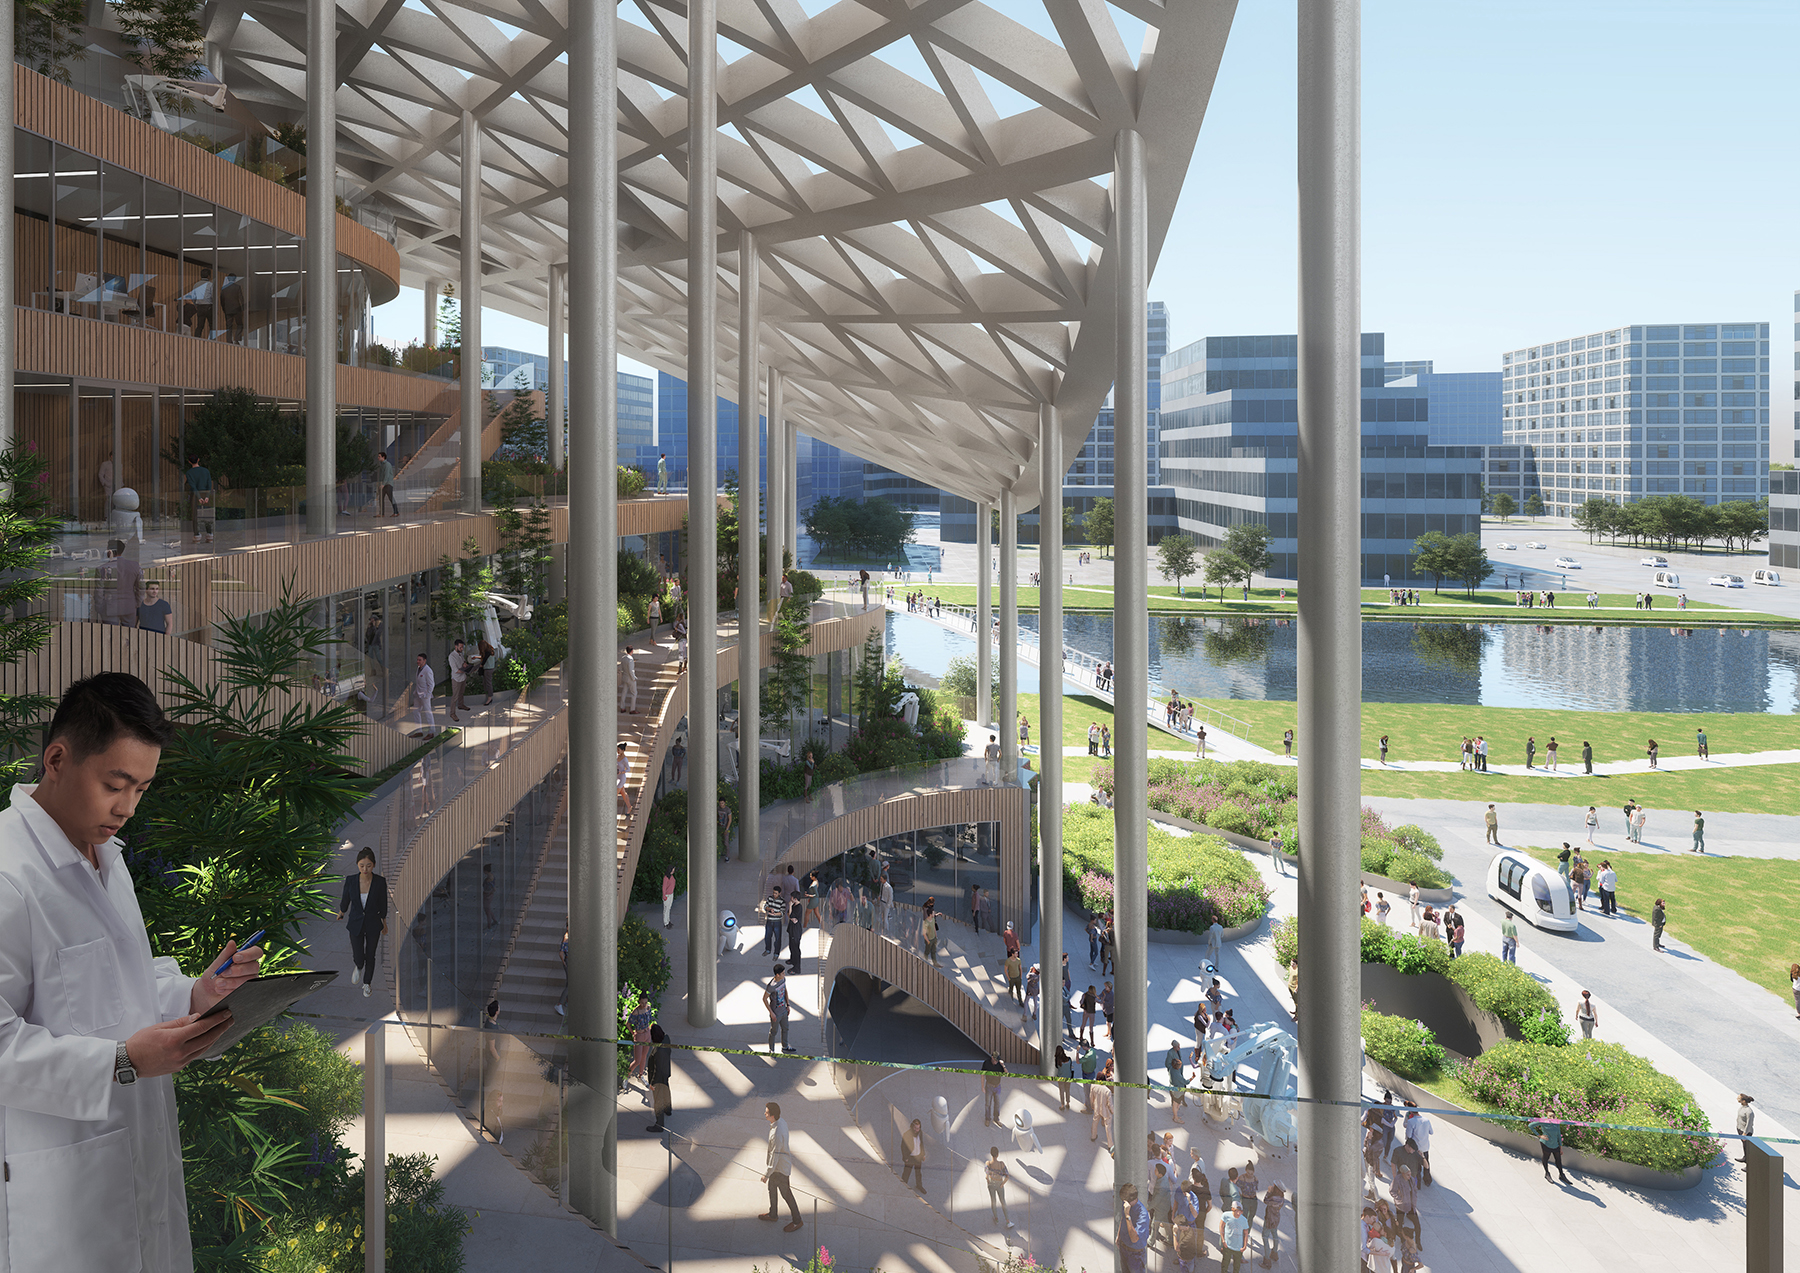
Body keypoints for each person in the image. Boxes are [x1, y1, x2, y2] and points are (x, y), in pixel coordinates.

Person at [0, 673, 266, 1271]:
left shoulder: (104, 857)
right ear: (58, 759)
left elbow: (120, 982)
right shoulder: (7, 877)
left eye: (142, 789)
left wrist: (200, 992)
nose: (127, 808)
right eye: (114, 785)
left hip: (138, 1157)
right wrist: (122, 1062)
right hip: (62, 1192)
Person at [336, 847, 390, 997]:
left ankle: (367, 983)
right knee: (359, 954)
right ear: (357, 865)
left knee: (371, 954)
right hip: (355, 923)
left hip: (373, 923)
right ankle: (359, 966)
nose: (365, 869)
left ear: (373, 865)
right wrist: (342, 912)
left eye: (368, 865)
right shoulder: (351, 880)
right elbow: (345, 898)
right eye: (361, 865)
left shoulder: (380, 882)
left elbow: (383, 904)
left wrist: (384, 923)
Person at [760, 1102, 805, 1230]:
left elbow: (775, 1156)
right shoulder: (781, 1122)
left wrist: (766, 1174)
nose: (765, 1113)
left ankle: (797, 1221)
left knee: (786, 1195)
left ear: (773, 1116)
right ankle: (773, 1214)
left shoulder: (777, 1134)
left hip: (779, 1169)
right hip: (779, 1167)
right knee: (772, 1189)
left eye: (767, 1112)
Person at [645, 1022, 673, 1132]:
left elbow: (656, 1070)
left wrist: (652, 1083)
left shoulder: (658, 1052)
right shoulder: (666, 1039)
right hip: (666, 1073)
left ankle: (659, 1125)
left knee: (658, 1101)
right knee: (666, 1092)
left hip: (658, 1079)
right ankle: (668, 1109)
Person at [1118, 1183, 1150, 1273]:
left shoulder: (1143, 1215)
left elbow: (1134, 1238)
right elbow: (1122, 1218)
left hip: (1135, 1254)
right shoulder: (1126, 1205)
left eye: (1125, 1201)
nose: (1124, 1203)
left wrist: (1128, 1215)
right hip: (1123, 1247)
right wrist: (1118, 1236)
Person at [1531, 1115, 1571, 1184]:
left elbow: (1559, 1135)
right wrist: (1539, 1135)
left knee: (1558, 1159)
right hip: (1546, 1143)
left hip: (1555, 1144)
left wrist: (1560, 1147)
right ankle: (1547, 1173)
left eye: (1553, 1115)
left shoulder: (1556, 1123)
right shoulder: (1544, 1121)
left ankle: (1561, 1174)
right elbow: (1531, 1125)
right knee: (1546, 1157)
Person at [985, 1145, 1016, 1228]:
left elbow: (986, 1174)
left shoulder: (988, 1163)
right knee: (1003, 1202)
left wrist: (988, 1180)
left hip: (991, 1184)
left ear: (991, 1154)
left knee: (993, 1201)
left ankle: (996, 1218)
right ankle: (1008, 1221)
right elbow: (1007, 1176)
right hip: (999, 1184)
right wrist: (1002, 1184)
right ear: (997, 1155)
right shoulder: (1001, 1164)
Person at [763, 964, 792, 1052]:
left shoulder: (783, 980)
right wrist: (771, 1013)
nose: (784, 974)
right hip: (776, 1013)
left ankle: (785, 1047)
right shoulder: (771, 986)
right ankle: (771, 1050)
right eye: (783, 973)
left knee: (785, 1028)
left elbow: (785, 990)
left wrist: (788, 1004)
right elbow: (764, 999)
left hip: (784, 1010)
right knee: (773, 1032)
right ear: (777, 975)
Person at [1218, 1199, 1251, 1273]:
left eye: (1241, 1212)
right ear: (1232, 1209)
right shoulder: (1226, 1215)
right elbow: (1221, 1225)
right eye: (1237, 1211)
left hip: (1238, 1248)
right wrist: (1223, 1240)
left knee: (1237, 1266)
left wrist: (1245, 1246)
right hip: (1227, 1245)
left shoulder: (1244, 1220)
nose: (1239, 1213)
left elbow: (1246, 1233)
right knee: (1225, 1264)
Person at [1258, 1182, 1286, 1269]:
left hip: (1269, 1219)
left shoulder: (1273, 1198)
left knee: (1265, 1237)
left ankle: (1266, 1260)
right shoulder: (1281, 1198)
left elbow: (1265, 1200)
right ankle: (1274, 1253)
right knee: (1275, 1234)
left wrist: (1269, 1192)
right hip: (1276, 1219)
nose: (1272, 1186)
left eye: (1274, 1186)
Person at [411, 651, 437, 736]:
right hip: (418, 694)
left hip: (425, 695)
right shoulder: (418, 668)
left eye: (420, 660)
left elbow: (431, 684)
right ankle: (419, 731)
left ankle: (431, 732)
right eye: (417, 660)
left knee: (427, 712)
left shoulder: (428, 670)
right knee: (416, 712)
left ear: (424, 661)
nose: (418, 661)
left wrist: (427, 695)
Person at [1090, 1063, 1115, 1148]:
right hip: (1106, 1111)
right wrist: (1113, 1111)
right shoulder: (1107, 1091)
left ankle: (1093, 1136)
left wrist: (1092, 1105)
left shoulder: (1093, 1086)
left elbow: (1091, 1097)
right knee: (1108, 1128)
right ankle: (1110, 1144)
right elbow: (1110, 1104)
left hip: (1097, 1108)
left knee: (1094, 1122)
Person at [899, 1116, 927, 1191]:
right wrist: (905, 1158)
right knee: (906, 1173)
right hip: (910, 1157)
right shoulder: (907, 1134)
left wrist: (923, 1154)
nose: (916, 1130)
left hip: (918, 1157)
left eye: (918, 1128)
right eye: (915, 1128)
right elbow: (903, 1147)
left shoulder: (920, 1133)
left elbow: (921, 1144)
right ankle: (903, 1187)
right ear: (912, 1127)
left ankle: (919, 1185)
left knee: (918, 1173)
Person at [447, 638, 469, 721]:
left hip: (463, 677)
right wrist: (465, 670)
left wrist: (465, 664)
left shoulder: (460, 654)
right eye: (460, 647)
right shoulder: (451, 656)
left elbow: (463, 662)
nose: (462, 649)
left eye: (462, 647)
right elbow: (455, 670)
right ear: (455, 646)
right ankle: (452, 713)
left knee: (461, 693)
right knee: (455, 696)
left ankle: (461, 705)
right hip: (456, 679)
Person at [981, 1052, 1006, 1125]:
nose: (996, 1062)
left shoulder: (999, 1065)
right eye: (995, 1060)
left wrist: (1003, 1066)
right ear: (992, 1057)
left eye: (997, 1061)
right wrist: (982, 1087)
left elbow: (1007, 1074)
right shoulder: (986, 1063)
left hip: (997, 1086)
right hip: (989, 1086)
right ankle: (987, 1119)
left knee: (997, 1104)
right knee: (988, 1104)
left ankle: (996, 1119)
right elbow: (982, 1075)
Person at [373, 450, 399, 517]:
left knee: (390, 498)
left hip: (388, 484)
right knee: (381, 499)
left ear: (383, 457)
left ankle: (396, 512)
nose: (378, 458)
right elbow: (382, 476)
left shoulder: (387, 465)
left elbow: (386, 475)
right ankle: (381, 513)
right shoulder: (382, 465)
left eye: (379, 456)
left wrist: (383, 484)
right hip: (383, 484)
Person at [760, 887, 785, 955]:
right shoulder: (769, 898)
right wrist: (769, 909)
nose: (774, 894)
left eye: (776, 893)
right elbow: (765, 906)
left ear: (779, 893)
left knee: (777, 938)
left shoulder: (782, 901)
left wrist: (775, 914)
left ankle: (776, 953)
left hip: (777, 922)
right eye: (773, 892)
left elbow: (782, 912)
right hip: (769, 921)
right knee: (767, 936)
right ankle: (768, 950)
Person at [786, 893, 805, 973]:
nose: (790, 899)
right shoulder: (794, 905)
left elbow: (792, 918)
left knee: (795, 949)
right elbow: (788, 914)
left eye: (792, 898)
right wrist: (790, 916)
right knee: (791, 946)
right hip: (791, 930)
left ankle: (796, 968)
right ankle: (793, 960)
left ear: (795, 899)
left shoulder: (798, 907)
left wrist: (790, 907)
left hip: (795, 931)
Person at [477, 636, 498, 703]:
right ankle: (488, 696)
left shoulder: (487, 653)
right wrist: (477, 657)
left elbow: (484, 660)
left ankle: (489, 698)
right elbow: (485, 658)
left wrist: (480, 665)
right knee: (487, 682)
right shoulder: (490, 651)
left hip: (487, 669)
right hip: (490, 668)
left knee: (488, 683)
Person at [1736, 1094, 1756, 1162]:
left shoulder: (1749, 1111)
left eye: (1739, 1098)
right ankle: (1745, 1158)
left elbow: (1749, 1123)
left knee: (1747, 1148)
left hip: (1746, 1132)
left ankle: (1749, 1163)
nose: (1737, 1099)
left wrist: (1745, 1133)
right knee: (1744, 1146)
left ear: (1744, 1101)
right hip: (1740, 1128)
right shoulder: (1742, 1107)